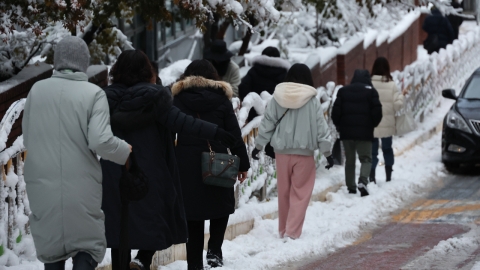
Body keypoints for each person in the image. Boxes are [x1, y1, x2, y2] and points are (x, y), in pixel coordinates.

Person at [101, 50, 237, 270]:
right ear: (147, 71)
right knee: (154, 221)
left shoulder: (105, 100)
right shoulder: (156, 99)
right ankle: (144, 258)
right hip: (150, 173)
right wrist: (216, 132)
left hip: (113, 172)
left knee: (120, 229)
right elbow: (184, 123)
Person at [22, 36, 132, 270]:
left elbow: (28, 136)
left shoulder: (36, 91)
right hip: (81, 183)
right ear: (84, 62)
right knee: (86, 246)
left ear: (57, 61)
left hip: (42, 181)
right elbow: (100, 141)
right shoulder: (93, 94)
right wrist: (125, 151)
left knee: (52, 249)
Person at [172, 59, 250, 270]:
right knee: (220, 207)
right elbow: (234, 133)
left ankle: (194, 262)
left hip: (186, 163)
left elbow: (169, 134)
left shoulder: (177, 99)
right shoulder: (221, 100)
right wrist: (243, 163)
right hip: (218, 161)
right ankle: (215, 250)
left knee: (193, 214)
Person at [252, 63, 334, 239]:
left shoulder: (277, 98)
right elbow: (321, 128)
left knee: (283, 192)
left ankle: (283, 230)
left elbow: (267, 123)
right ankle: (292, 232)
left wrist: (258, 146)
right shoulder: (312, 100)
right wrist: (327, 153)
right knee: (301, 192)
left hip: (281, 152)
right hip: (304, 154)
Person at [331, 69, 382, 197]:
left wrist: (339, 126)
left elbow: (335, 113)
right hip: (365, 133)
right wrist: (372, 125)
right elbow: (378, 113)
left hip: (347, 133)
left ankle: (351, 187)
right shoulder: (371, 92)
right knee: (366, 159)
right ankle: (363, 181)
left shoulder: (343, 91)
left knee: (349, 160)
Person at [239, 46, 290, 159]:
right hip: (277, 117)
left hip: (255, 115)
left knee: (254, 142)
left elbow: (243, 88)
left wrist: (250, 107)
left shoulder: (254, 71)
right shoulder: (284, 74)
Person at [370, 57, 405, 184]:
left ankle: (372, 176)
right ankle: (388, 176)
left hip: (372, 123)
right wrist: (401, 95)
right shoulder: (391, 85)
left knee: (372, 152)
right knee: (387, 149)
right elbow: (397, 106)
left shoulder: (369, 84)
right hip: (387, 123)